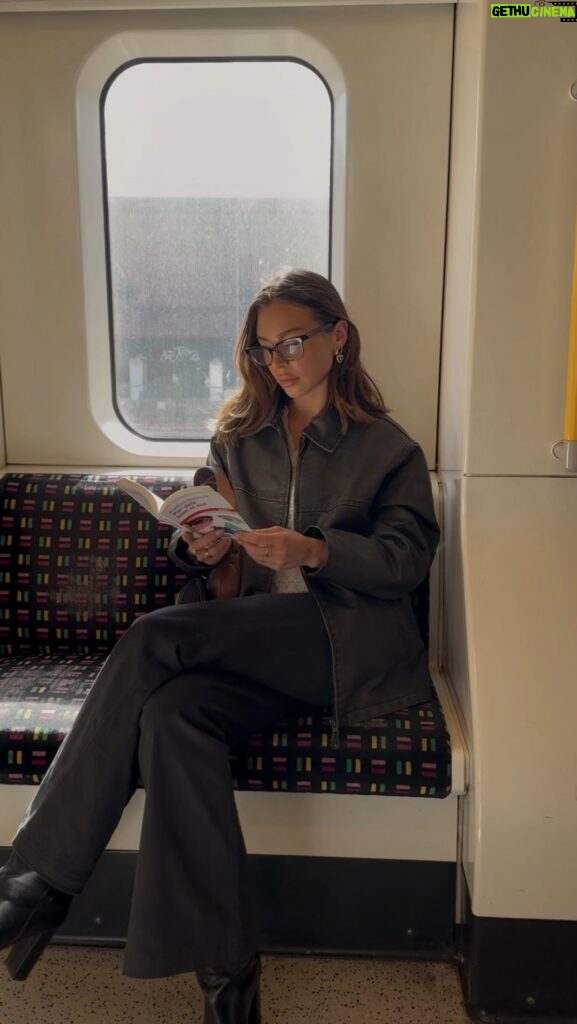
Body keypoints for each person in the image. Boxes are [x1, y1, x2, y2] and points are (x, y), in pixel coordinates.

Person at [0, 269, 439, 1023]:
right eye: (266, 349)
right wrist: (205, 550)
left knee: (150, 639)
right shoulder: (239, 438)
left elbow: (406, 559)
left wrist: (313, 550)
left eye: (295, 341)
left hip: (342, 643)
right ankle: (229, 980)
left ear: (339, 336)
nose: (281, 360)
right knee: (173, 718)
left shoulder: (386, 447)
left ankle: (38, 879)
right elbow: (213, 540)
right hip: (254, 639)